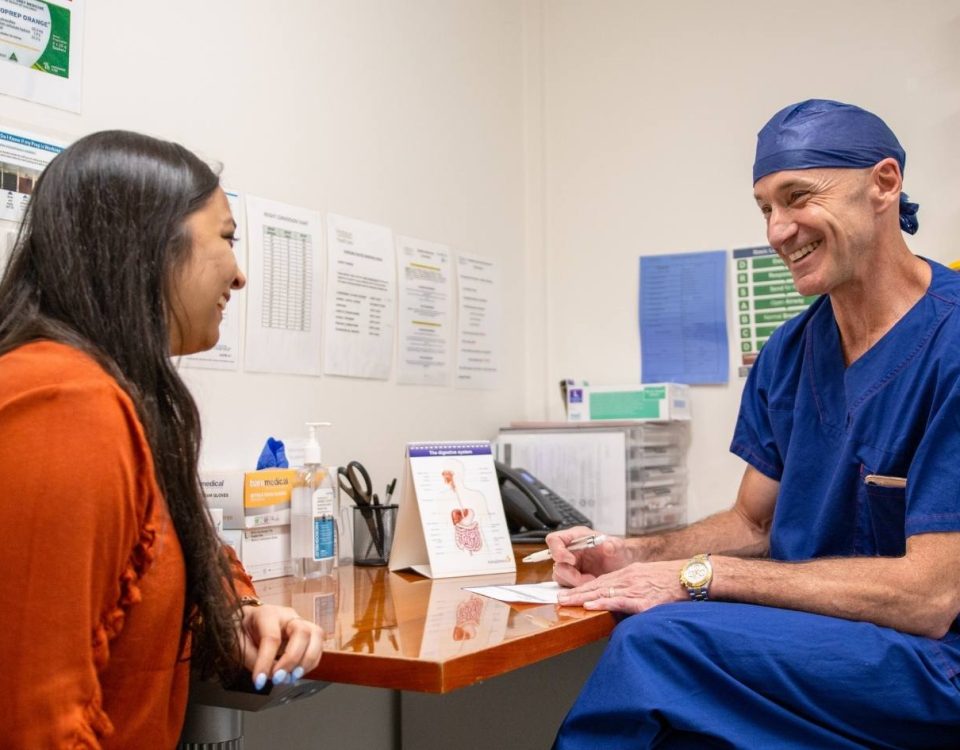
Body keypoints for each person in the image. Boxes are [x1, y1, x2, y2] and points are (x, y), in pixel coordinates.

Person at [547, 100, 960, 748]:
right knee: (679, 721)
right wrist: (634, 554)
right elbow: (753, 523)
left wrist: (700, 577)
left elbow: (930, 598)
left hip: (932, 667)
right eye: (765, 207)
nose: (776, 231)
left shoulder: (950, 343)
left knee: (657, 648)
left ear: (883, 184)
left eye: (797, 197)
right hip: (821, 642)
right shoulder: (790, 354)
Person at [0, 131, 324, 748]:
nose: (240, 275)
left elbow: (165, 554)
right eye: (226, 239)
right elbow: (32, 722)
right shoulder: (62, 404)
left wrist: (238, 614)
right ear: (146, 246)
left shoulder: (113, 395)